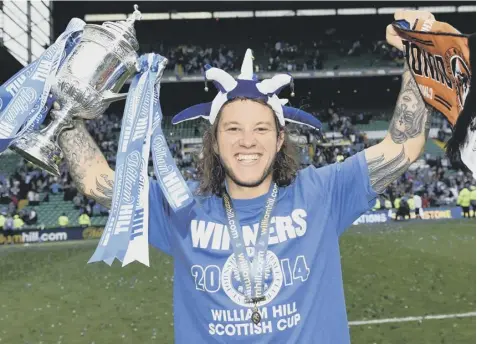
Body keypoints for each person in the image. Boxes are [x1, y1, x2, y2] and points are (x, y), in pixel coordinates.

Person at [57, 11, 435, 344]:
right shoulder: (180, 207)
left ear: (280, 137)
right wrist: (60, 111)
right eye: (233, 129)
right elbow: (97, 180)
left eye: (261, 129)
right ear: (214, 142)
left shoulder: (323, 193)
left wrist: (418, 52)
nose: (247, 142)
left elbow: (404, 147)